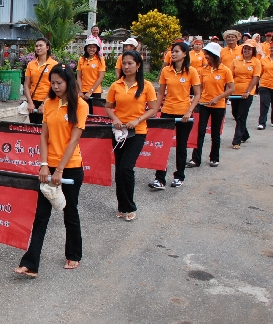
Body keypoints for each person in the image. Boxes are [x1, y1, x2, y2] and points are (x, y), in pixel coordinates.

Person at [14, 65, 88, 277]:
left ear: (69, 82)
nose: (55, 87)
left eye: (59, 83)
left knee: (70, 212)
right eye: (52, 83)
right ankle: (30, 264)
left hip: (70, 167)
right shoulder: (48, 103)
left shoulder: (80, 105)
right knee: (41, 215)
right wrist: (44, 164)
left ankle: (74, 254)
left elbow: (74, 141)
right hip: (49, 167)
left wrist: (60, 170)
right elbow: (43, 137)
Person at [105, 50, 159, 221]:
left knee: (127, 168)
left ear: (138, 65)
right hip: (119, 132)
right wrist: (115, 119)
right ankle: (121, 206)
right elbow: (108, 107)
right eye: (124, 63)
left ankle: (130, 207)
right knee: (119, 170)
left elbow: (153, 109)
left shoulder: (147, 86)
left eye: (130, 63)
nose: (126, 66)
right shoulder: (116, 85)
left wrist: (137, 120)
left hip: (138, 132)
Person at [150, 41, 201, 189]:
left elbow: (197, 94)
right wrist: (155, 110)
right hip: (167, 112)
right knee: (163, 146)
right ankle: (160, 179)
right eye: (172, 51)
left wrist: (189, 111)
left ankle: (179, 176)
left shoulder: (192, 71)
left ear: (184, 54)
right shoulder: (166, 71)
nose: (173, 54)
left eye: (177, 51)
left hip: (184, 114)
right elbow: (161, 93)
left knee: (181, 146)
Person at [187, 42, 235, 168]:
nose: (206, 57)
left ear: (214, 55)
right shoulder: (203, 70)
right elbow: (200, 88)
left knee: (215, 133)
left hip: (218, 106)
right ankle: (195, 159)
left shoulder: (225, 70)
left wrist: (218, 98)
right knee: (200, 132)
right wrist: (194, 99)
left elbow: (231, 88)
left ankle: (214, 158)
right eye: (205, 54)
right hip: (203, 105)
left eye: (208, 54)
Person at [230, 40, 262, 149]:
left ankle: (236, 141)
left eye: (249, 49)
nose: (246, 50)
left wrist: (248, 91)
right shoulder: (236, 60)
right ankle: (245, 134)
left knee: (241, 116)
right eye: (245, 48)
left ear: (253, 50)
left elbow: (256, 78)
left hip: (247, 92)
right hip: (235, 91)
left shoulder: (256, 62)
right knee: (235, 113)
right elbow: (230, 76)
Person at [23, 37, 58, 124]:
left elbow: (54, 86)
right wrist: (30, 102)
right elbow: (26, 85)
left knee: (45, 127)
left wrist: (44, 104)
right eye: (36, 46)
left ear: (47, 47)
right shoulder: (31, 64)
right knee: (33, 128)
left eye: (41, 46)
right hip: (33, 101)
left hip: (49, 100)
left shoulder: (54, 65)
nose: (38, 48)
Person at [77, 36, 106, 104]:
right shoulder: (81, 59)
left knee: (94, 110)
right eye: (90, 47)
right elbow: (78, 76)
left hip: (95, 91)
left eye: (94, 47)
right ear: (86, 48)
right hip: (83, 91)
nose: (92, 49)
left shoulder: (100, 60)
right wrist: (80, 91)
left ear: (97, 48)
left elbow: (100, 77)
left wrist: (90, 92)